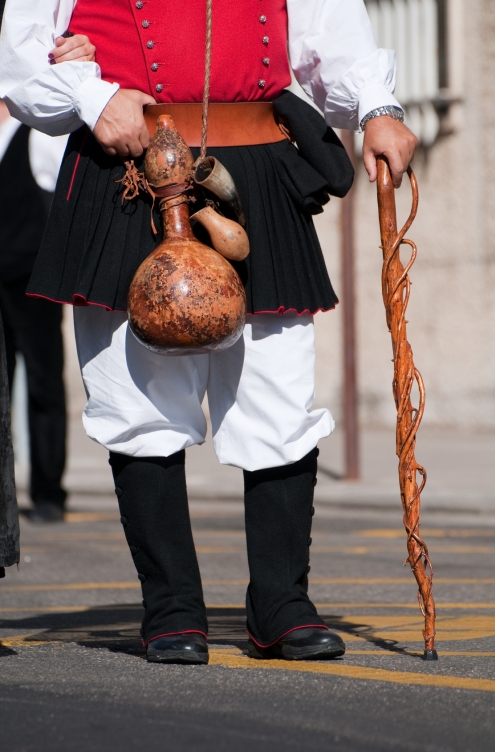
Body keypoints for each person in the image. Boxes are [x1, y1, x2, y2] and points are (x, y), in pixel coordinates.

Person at [0, 0, 418, 662]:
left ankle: (280, 603)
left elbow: (328, 33)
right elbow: (21, 57)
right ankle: (171, 606)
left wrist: (378, 106)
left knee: (277, 392)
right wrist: (90, 93)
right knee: (138, 401)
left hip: (254, 165)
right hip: (126, 170)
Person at [0, 33, 95, 522]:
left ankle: (48, 494)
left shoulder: (36, 130)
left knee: (42, 383)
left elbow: (59, 200)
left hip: (29, 276)